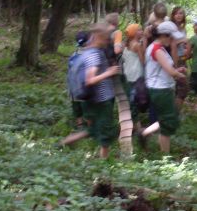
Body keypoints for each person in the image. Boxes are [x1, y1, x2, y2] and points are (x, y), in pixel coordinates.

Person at [142, 21, 187, 153]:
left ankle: (144, 134)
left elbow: (164, 69)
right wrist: (180, 75)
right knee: (168, 122)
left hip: (161, 88)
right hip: (160, 90)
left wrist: (178, 70)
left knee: (168, 119)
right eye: (171, 37)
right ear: (164, 35)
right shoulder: (157, 50)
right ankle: (165, 157)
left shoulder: (158, 48)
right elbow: (170, 71)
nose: (173, 40)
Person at [82, 24, 121, 158]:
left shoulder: (90, 51)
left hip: (98, 98)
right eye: (106, 39)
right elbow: (90, 80)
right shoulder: (94, 55)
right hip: (102, 99)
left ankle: (97, 156)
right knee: (105, 132)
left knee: (97, 129)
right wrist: (109, 73)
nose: (108, 41)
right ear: (98, 37)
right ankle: (103, 163)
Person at [58, 31, 91, 147]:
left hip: (73, 88)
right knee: (87, 109)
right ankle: (88, 129)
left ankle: (79, 125)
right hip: (84, 89)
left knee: (77, 109)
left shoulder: (74, 54)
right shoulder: (89, 55)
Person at [122, 23, 145, 134]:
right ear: (135, 33)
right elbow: (143, 61)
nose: (142, 32)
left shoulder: (126, 44)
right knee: (135, 101)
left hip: (129, 75)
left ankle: (133, 125)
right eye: (140, 30)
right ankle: (137, 127)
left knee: (131, 100)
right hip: (136, 75)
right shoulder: (137, 45)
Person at [170, 6, 190, 111]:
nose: (179, 15)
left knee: (183, 89)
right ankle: (174, 115)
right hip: (173, 59)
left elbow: (184, 44)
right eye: (176, 13)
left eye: (181, 13)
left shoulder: (183, 29)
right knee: (179, 87)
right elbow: (169, 44)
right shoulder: (170, 28)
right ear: (173, 15)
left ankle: (176, 113)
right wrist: (182, 40)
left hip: (183, 59)